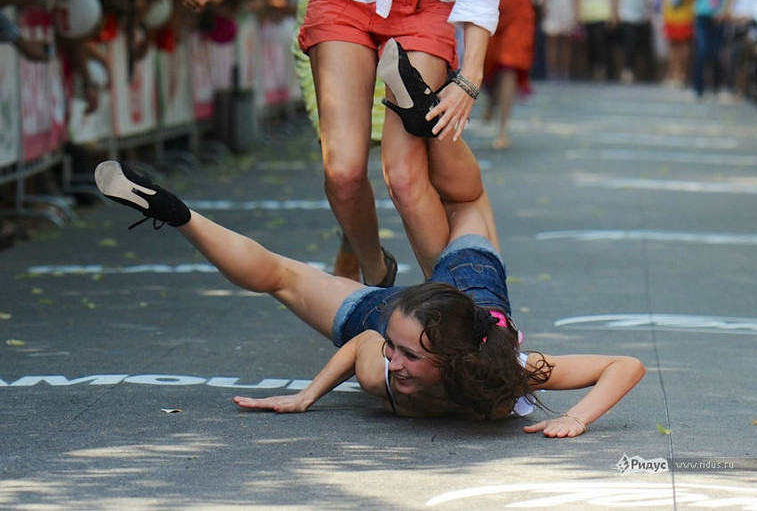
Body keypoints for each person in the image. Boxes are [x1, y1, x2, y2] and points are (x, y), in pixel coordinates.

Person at [93, 159, 646, 437]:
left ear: (457, 362)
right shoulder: (387, 364)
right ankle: (174, 211)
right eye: (394, 350)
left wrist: (576, 417)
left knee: (286, 276)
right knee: (467, 198)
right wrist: (307, 395)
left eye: (405, 356)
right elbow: (367, 339)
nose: (390, 360)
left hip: (427, 310)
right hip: (444, 294)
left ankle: (424, 107)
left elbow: (627, 365)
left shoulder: (498, 370)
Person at [183, 0, 499, 286]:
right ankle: (377, 279)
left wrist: (470, 76)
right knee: (342, 175)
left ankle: (459, 307)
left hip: (424, 2)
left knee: (404, 177)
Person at [481, 0, 537, 150]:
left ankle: (502, 130)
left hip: (518, 6)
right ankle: (492, 101)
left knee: (509, 64)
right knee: (489, 62)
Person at [689, 0, 736, 99]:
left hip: (718, 18)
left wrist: (724, 12)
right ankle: (698, 86)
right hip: (703, 15)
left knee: (716, 51)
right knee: (702, 50)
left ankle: (716, 85)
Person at [660, 0, 694, 87]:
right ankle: (672, 74)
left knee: (683, 46)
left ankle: (682, 75)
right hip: (670, 16)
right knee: (672, 47)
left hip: (685, 17)